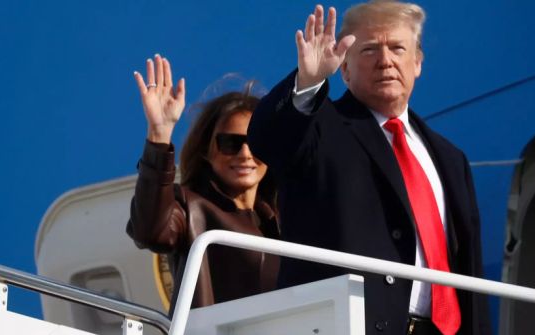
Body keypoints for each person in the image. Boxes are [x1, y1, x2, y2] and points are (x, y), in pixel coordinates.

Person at [248, 2, 490, 335]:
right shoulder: (319, 127)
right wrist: (307, 82)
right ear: (344, 69)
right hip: (349, 324)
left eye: (397, 48)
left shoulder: (450, 158)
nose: (386, 60)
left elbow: (468, 267)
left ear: (417, 63)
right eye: (370, 49)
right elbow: (267, 139)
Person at [126, 54, 279, 313]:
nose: (245, 154)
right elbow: (150, 231)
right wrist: (159, 135)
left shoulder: (282, 221)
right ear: (206, 151)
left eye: (256, 143)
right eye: (230, 143)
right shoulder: (189, 207)